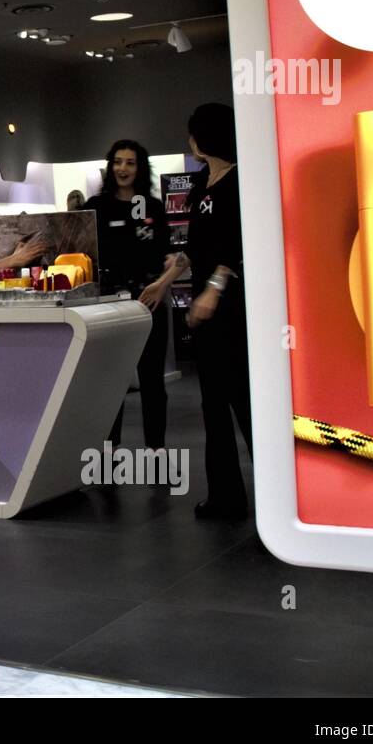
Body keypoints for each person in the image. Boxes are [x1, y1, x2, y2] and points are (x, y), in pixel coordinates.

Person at [148, 104, 250, 519]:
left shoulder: (241, 183)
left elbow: (236, 250)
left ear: (203, 138)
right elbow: (195, 249)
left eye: (193, 135)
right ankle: (225, 496)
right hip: (207, 312)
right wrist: (165, 280)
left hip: (234, 308)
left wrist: (212, 290)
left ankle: (281, 491)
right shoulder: (203, 183)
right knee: (212, 404)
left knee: (243, 399)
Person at [84, 139, 170, 450]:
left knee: (152, 382)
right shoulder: (95, 206)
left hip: (149, 301)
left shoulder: (154, 207)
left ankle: (156, 451)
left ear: (140, 167)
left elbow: (167, 256)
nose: (123, 168)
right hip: (109, 303)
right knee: (112, 383)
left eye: (130, 162)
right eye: (118, 162)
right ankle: (110, 454)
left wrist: (162, 285)